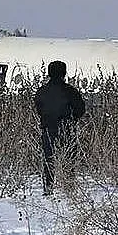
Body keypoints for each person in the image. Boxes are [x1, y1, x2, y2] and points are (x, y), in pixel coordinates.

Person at [33, 60, 86, 196]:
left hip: (47, 129)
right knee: (69, 157)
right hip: (67, 128)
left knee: (48, 159)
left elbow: (39, 109)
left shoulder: (41, 91)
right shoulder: (70, 91)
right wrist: (72, 120)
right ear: (64, 73)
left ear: (49, 73)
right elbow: (80, 109)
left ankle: (48, 188)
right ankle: (68, 187)